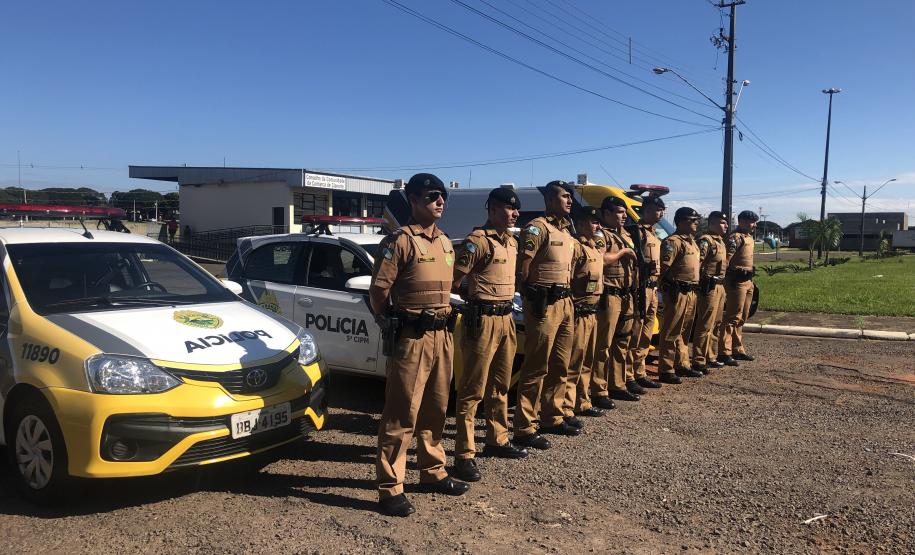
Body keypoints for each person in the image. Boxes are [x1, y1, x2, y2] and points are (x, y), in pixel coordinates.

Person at [369, 173, 468, 517]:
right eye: (431, 196)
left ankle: (432, 470)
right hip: (412, 337)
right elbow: (378, 292)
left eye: (442, 196)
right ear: (412, 200)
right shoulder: (399, 241)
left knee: (437, 408)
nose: (439, 201)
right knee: (401, 413)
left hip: (443, 335)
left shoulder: (444, 242)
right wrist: (391, 323)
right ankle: (390, 487)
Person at [451, 187, 528, 483]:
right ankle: (464, 454)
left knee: (501, 385)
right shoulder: (477, 242)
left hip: (506, 317)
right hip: (482, 319)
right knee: (472, 390)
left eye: (515, 209)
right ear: (493, 209)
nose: (515, 214)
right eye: (510, 209)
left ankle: (497, 439)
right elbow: (456, 281)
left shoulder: (511, 242)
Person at [512, 180, 577, 450]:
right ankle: (524, 426)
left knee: (561, 364)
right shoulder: (537, 228)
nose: (570, 201)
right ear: (550, 200)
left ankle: (552, 415)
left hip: (565, 303)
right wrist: (531, 298)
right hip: (544, 304)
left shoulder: (566, 231)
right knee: (537, 365)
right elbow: (523, 269)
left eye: (570, 196)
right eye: (564, 196)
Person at [592, 196, 640, 404]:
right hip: (610, 294)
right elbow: (600, 259)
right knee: (604, 343)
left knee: (623, 341)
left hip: (627, 293)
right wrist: (622, 252)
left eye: (624, 212)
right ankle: (598, 389)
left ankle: (617, 383)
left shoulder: (626, 235)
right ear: (606, 214)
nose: (624, 216)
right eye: (619, 212)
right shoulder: (601, 234)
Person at [562, 206, 608, 423]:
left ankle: (582, 400)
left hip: (592, 311)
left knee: (587, 360)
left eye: (598, 222)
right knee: (574, 362)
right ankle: (566, 407)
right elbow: (567, 279)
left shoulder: (593, 248)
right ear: (579, 224)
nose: (597, 226)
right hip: (579, 311)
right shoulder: (576, 247)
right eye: (593, 222)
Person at [657, 206, 702, 384]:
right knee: (671, 330)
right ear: (681, 221)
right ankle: (666, 369)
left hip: (691, 291)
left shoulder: (692, 241)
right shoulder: (673, 242)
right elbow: (664, 267)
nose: (696, 223)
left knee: (684, 330)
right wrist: (663, 289)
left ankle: (682, 363)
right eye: (692, 220)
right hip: (677, 291)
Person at [625, 195, 665, 393]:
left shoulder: (654, 234)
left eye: (662, 209)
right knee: (636, 332)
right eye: (658, 209)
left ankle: (640, 372)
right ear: (647, 210)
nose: (661, 213)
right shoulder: (636, 232)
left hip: (653, 289)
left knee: (647, 333)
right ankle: (628, 375)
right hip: (640, 288)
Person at [718, 210, 759, 366]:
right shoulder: (735, 238)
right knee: (732, 317)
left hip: (748, 281)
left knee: (742, 317)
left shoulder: (749, 238)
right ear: (741, 221)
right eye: (751, 221)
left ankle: (737, 349)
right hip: (736, 282)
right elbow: (726, 259)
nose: (754, 225)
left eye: (755, 222)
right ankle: (724, 352)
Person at [690, 211, 729, 374]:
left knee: (717, 323)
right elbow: (697, 263)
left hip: (720, 285)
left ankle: (711, 356)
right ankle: (699, 359)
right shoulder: (705, 241)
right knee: (705, 323)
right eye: (722, 223)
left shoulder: (720, 241)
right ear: (711, 224)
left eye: (725, 223)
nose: (726, 225)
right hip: (709, 286)